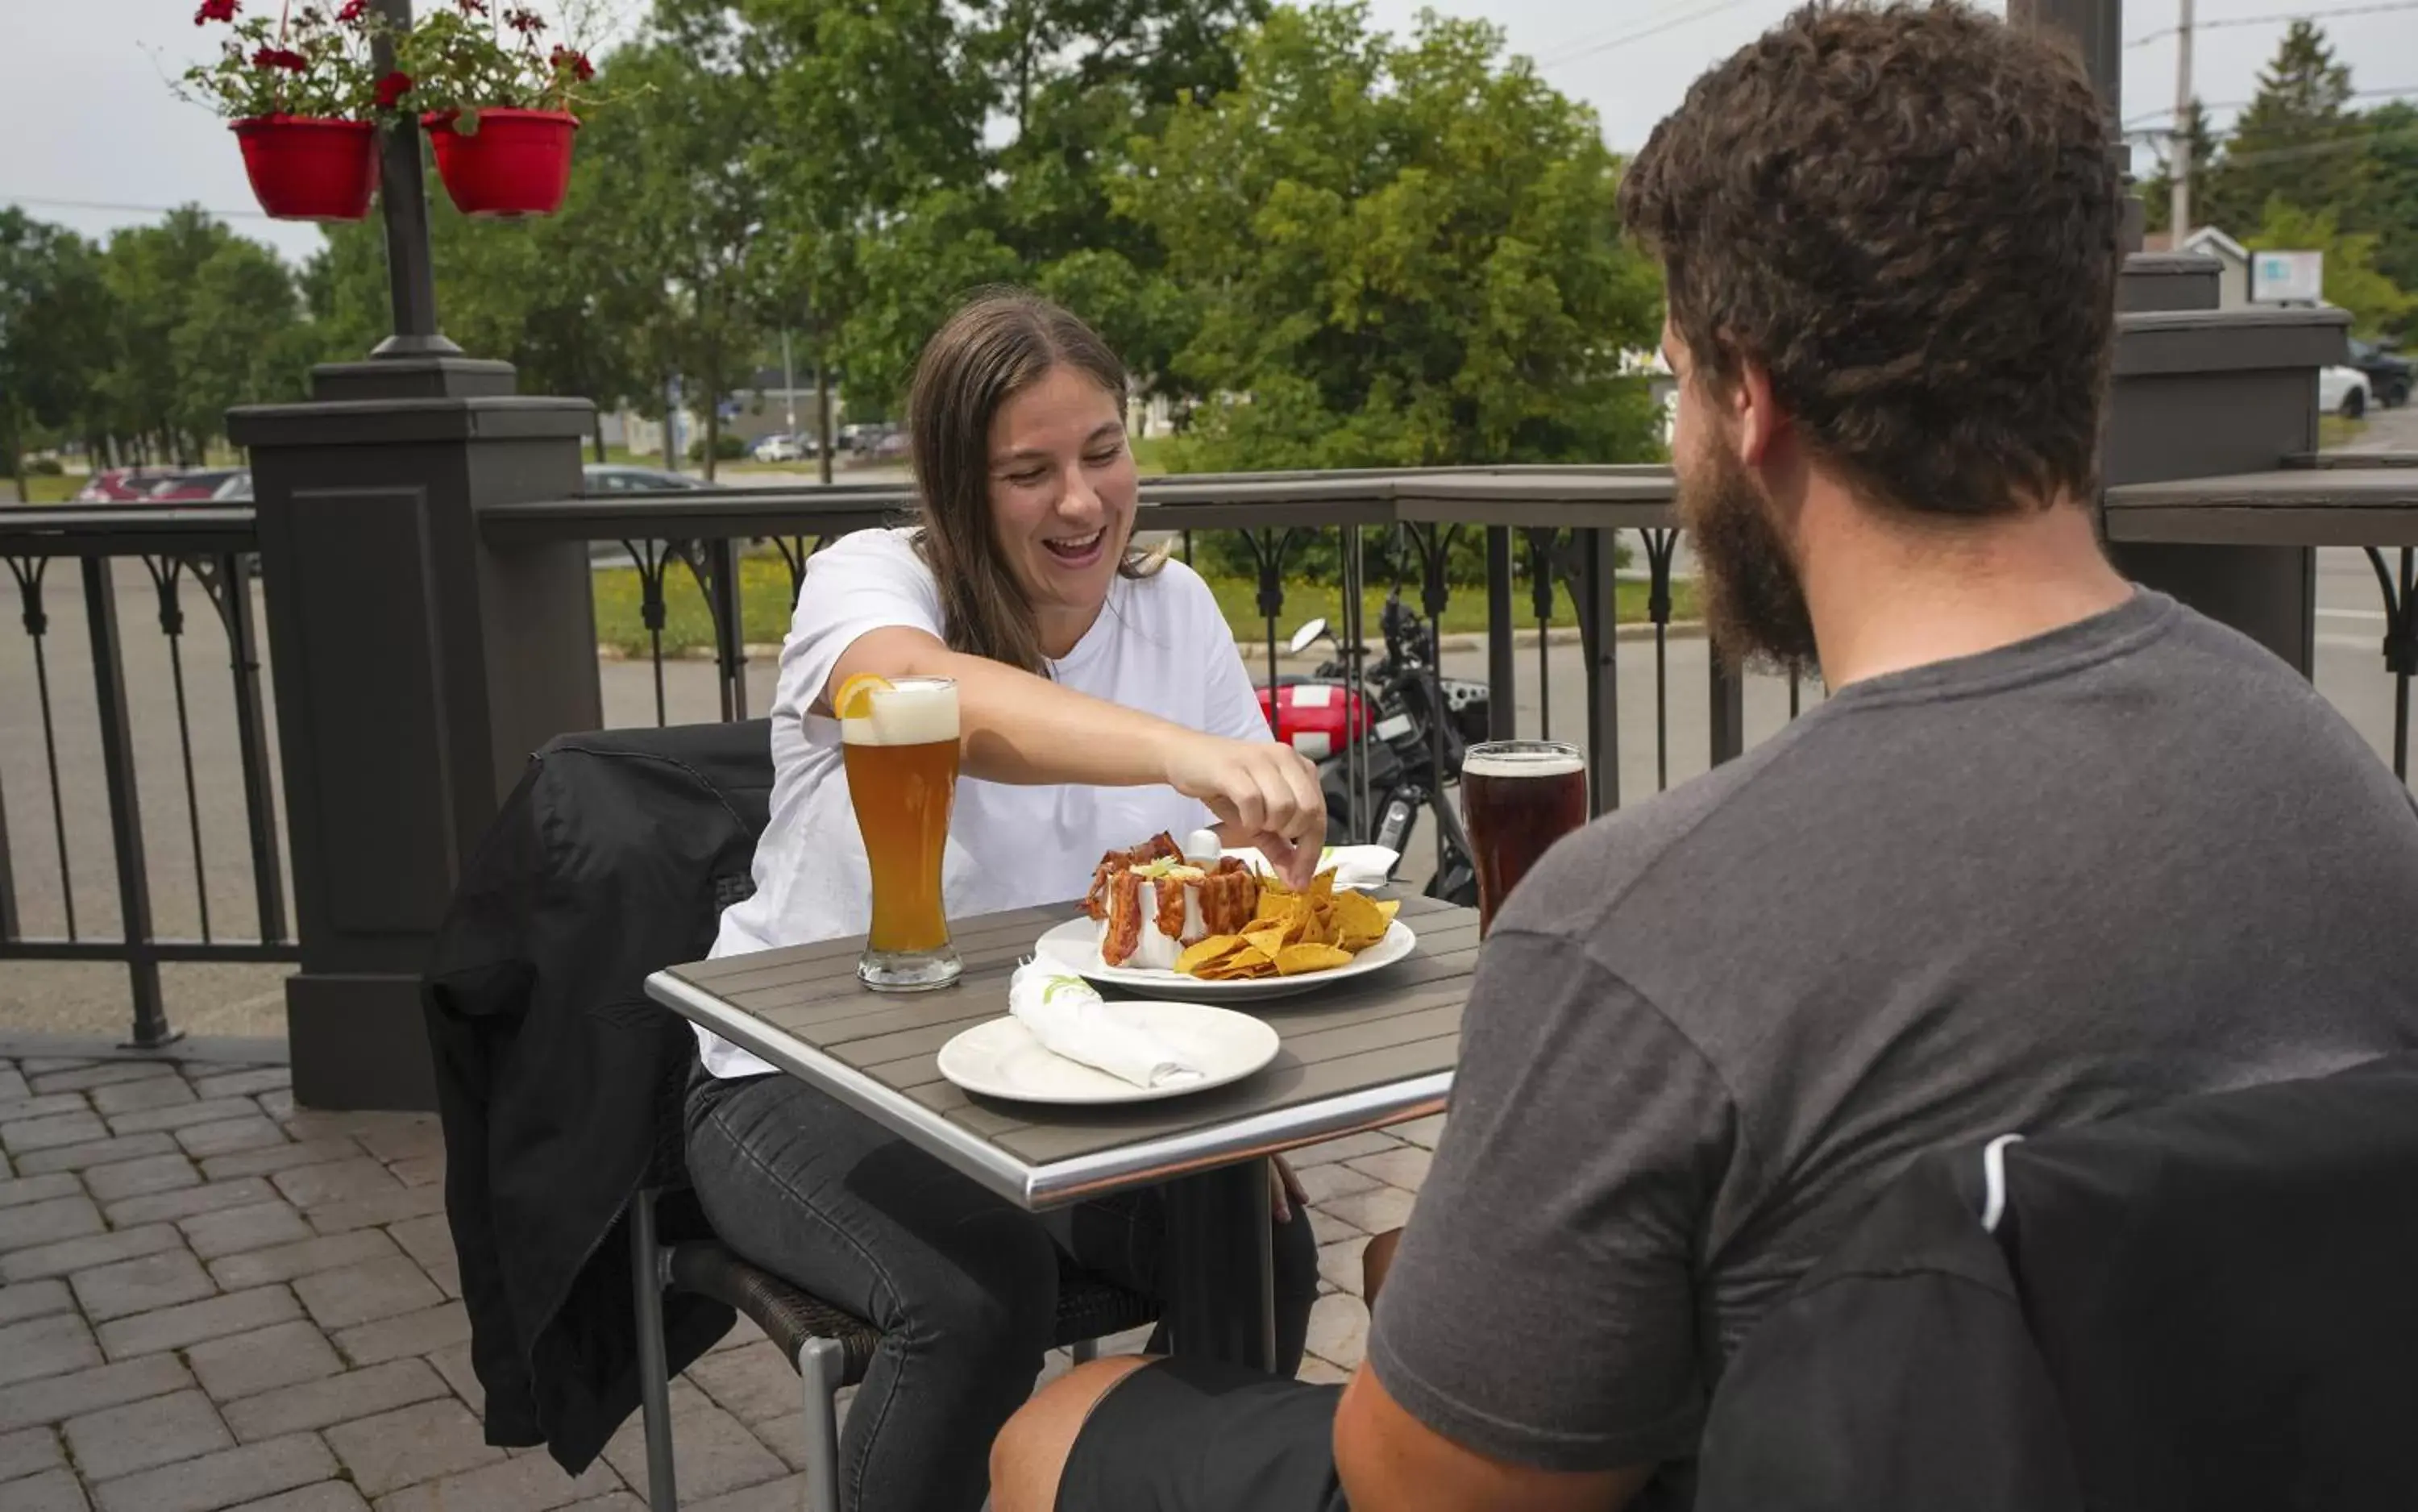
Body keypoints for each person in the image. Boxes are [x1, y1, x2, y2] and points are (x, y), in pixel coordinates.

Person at [991, 6, 2418, 1510]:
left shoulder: (1645, 925)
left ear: (1751, 397)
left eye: (1676, 379)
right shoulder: (2339, 793)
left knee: (1063, 1422)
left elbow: (1430, 1493)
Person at [684, 289, 1325, 1512]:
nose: (1082, 502)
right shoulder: (869, 585)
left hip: (1054, 1077)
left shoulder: (1174, 608)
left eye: (1103, 452)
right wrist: (1177, 754)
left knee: (1256, 1245)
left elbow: (1256, 869)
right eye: (1029, 471)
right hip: (801, 1078)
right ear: (954, 486)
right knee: (974, 1303)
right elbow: (923, 695)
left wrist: (1247, 1093)